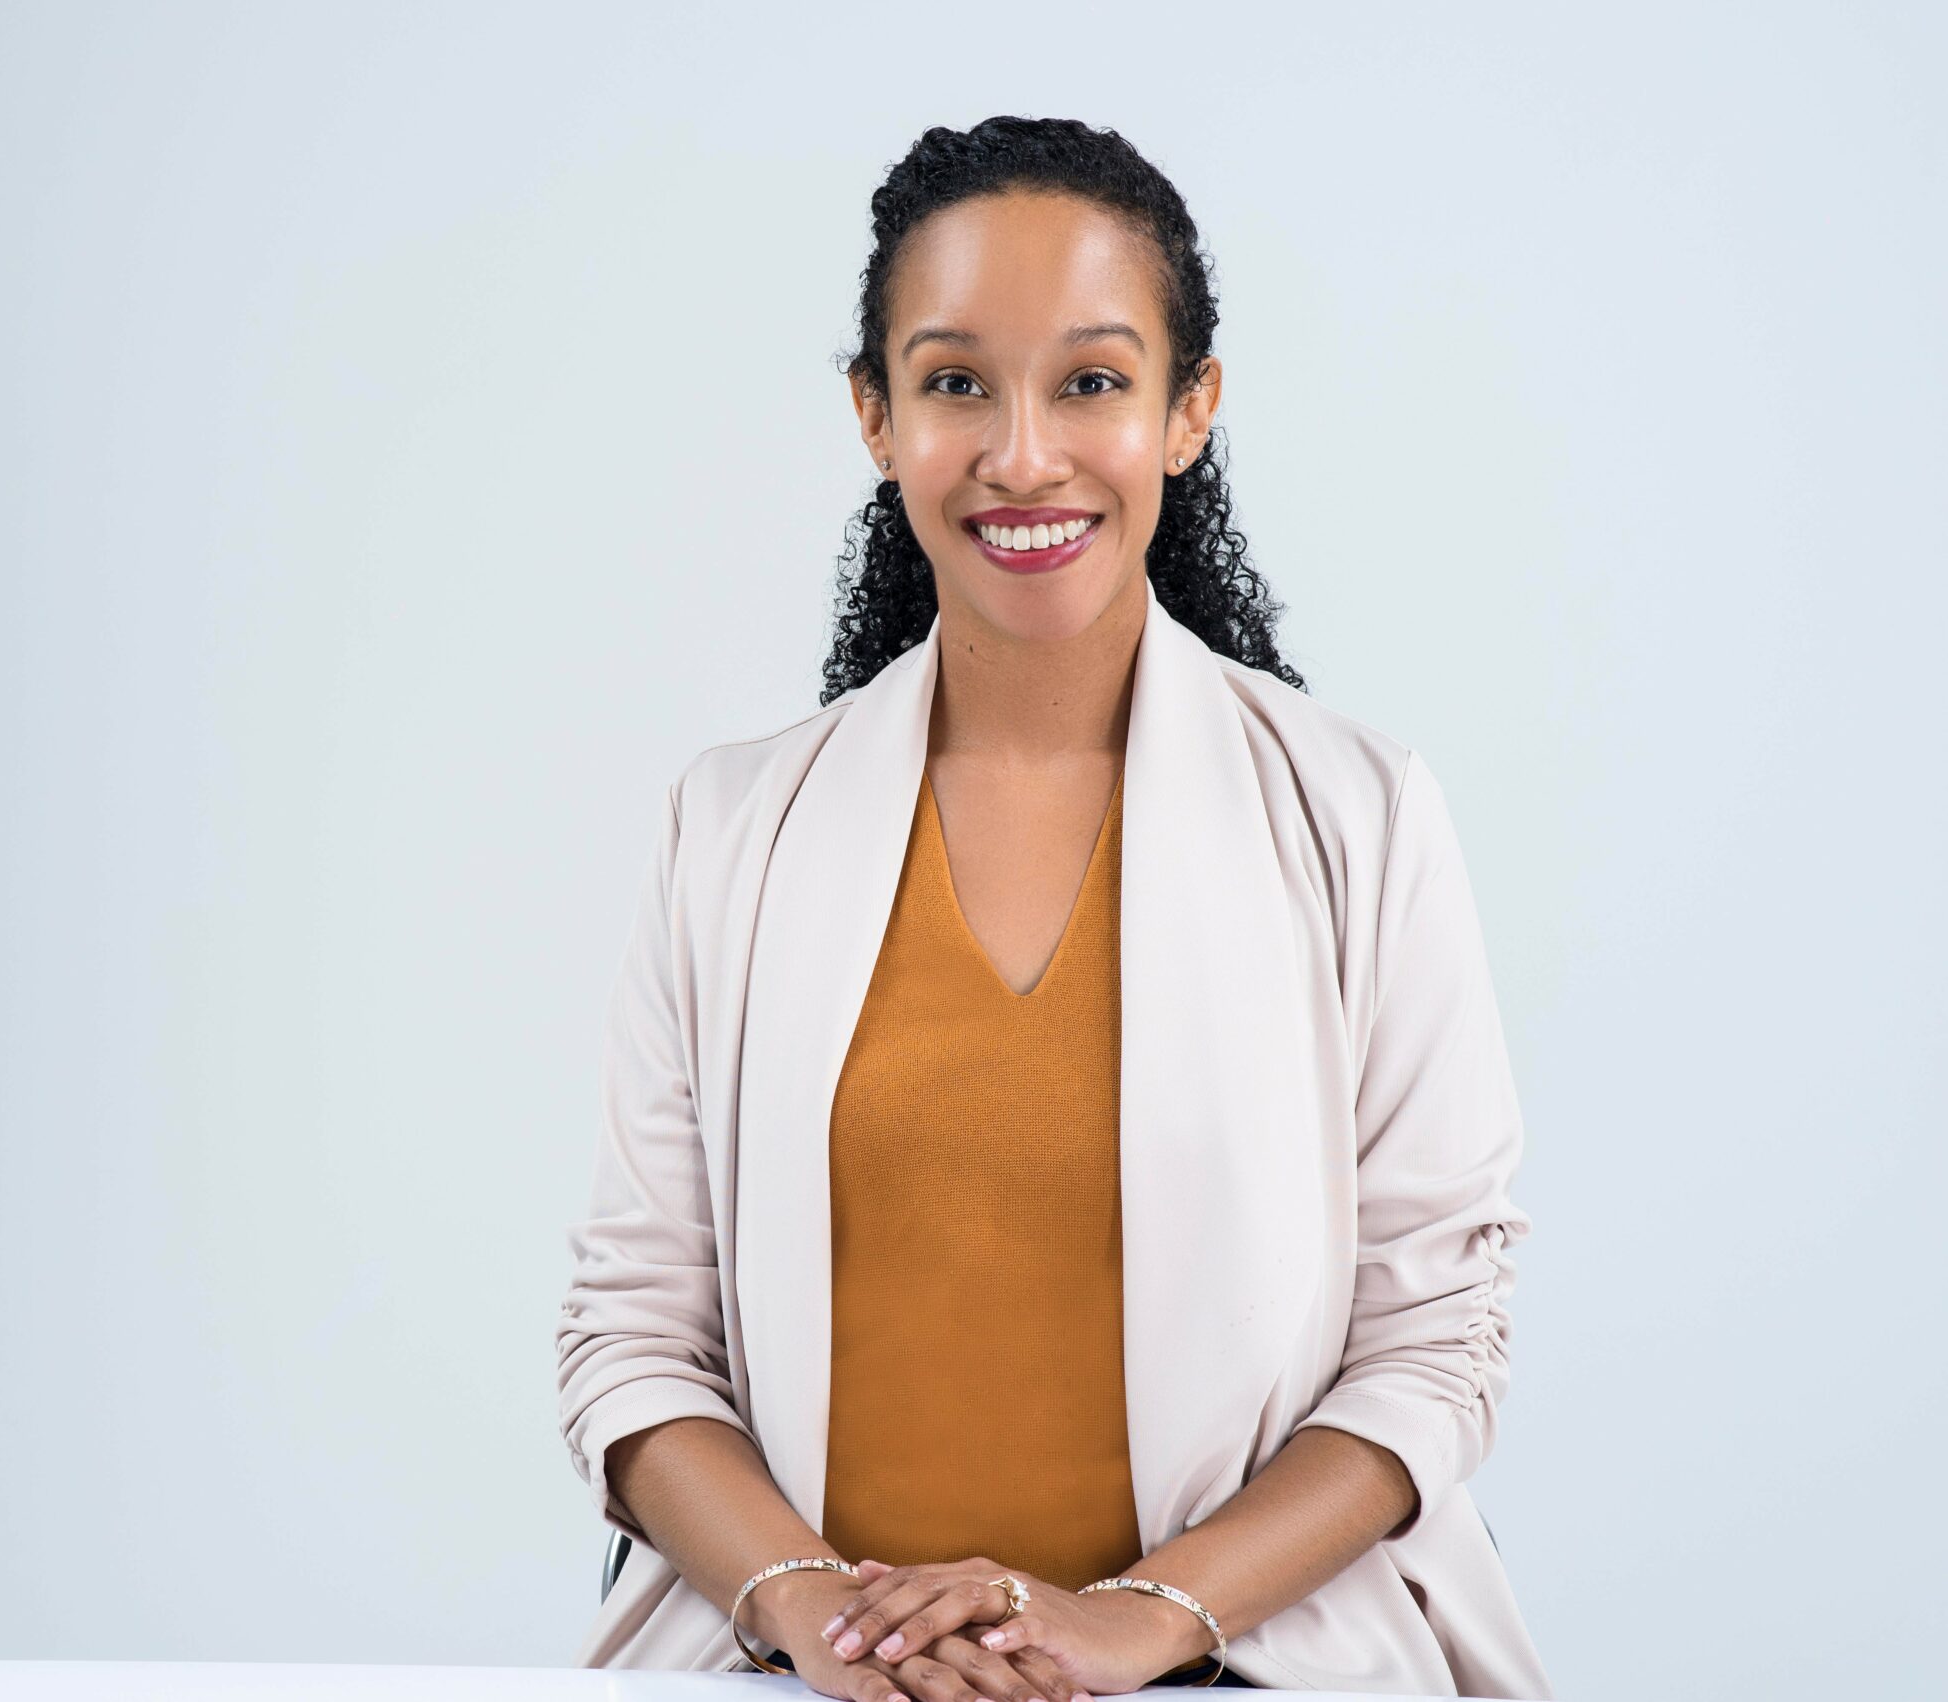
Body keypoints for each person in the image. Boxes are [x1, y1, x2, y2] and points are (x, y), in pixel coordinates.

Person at [554, 116, 1551, 1700]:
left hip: (1250, 1670)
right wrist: (818, 1612)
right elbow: (633, 1338)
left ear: (1187, 408)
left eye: (1090, 379)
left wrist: (1136, 1620)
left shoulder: (1359, 814)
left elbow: (1433, 1342)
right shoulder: (728, 829)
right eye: (955, 382)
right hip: (797, 1676)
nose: (1022, 454)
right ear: (875, 418)